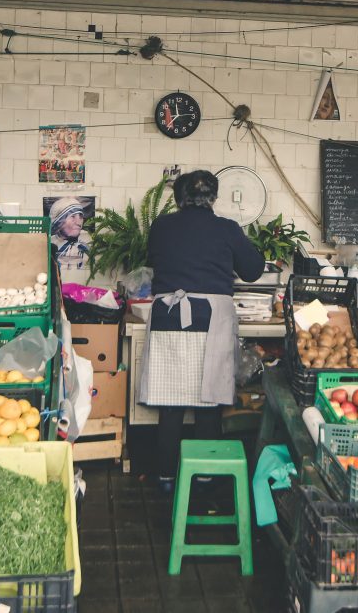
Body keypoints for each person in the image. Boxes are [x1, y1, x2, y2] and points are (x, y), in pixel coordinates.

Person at [139, 170, 265, 492]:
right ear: (214, 198)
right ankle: (204, 477)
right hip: (211, 321)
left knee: (172, 404)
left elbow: (154, 259)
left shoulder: (162, 226)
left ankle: (166, 477)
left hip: (169, 317)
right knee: (209, 403)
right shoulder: (227, 229)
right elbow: (252, 271)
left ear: (179, 199)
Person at [48, 196, 90, 270]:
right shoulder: (48, 246)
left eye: (80, 216)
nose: (78, 222)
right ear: (58, 221)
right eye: (73, 216)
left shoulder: (87, 245)